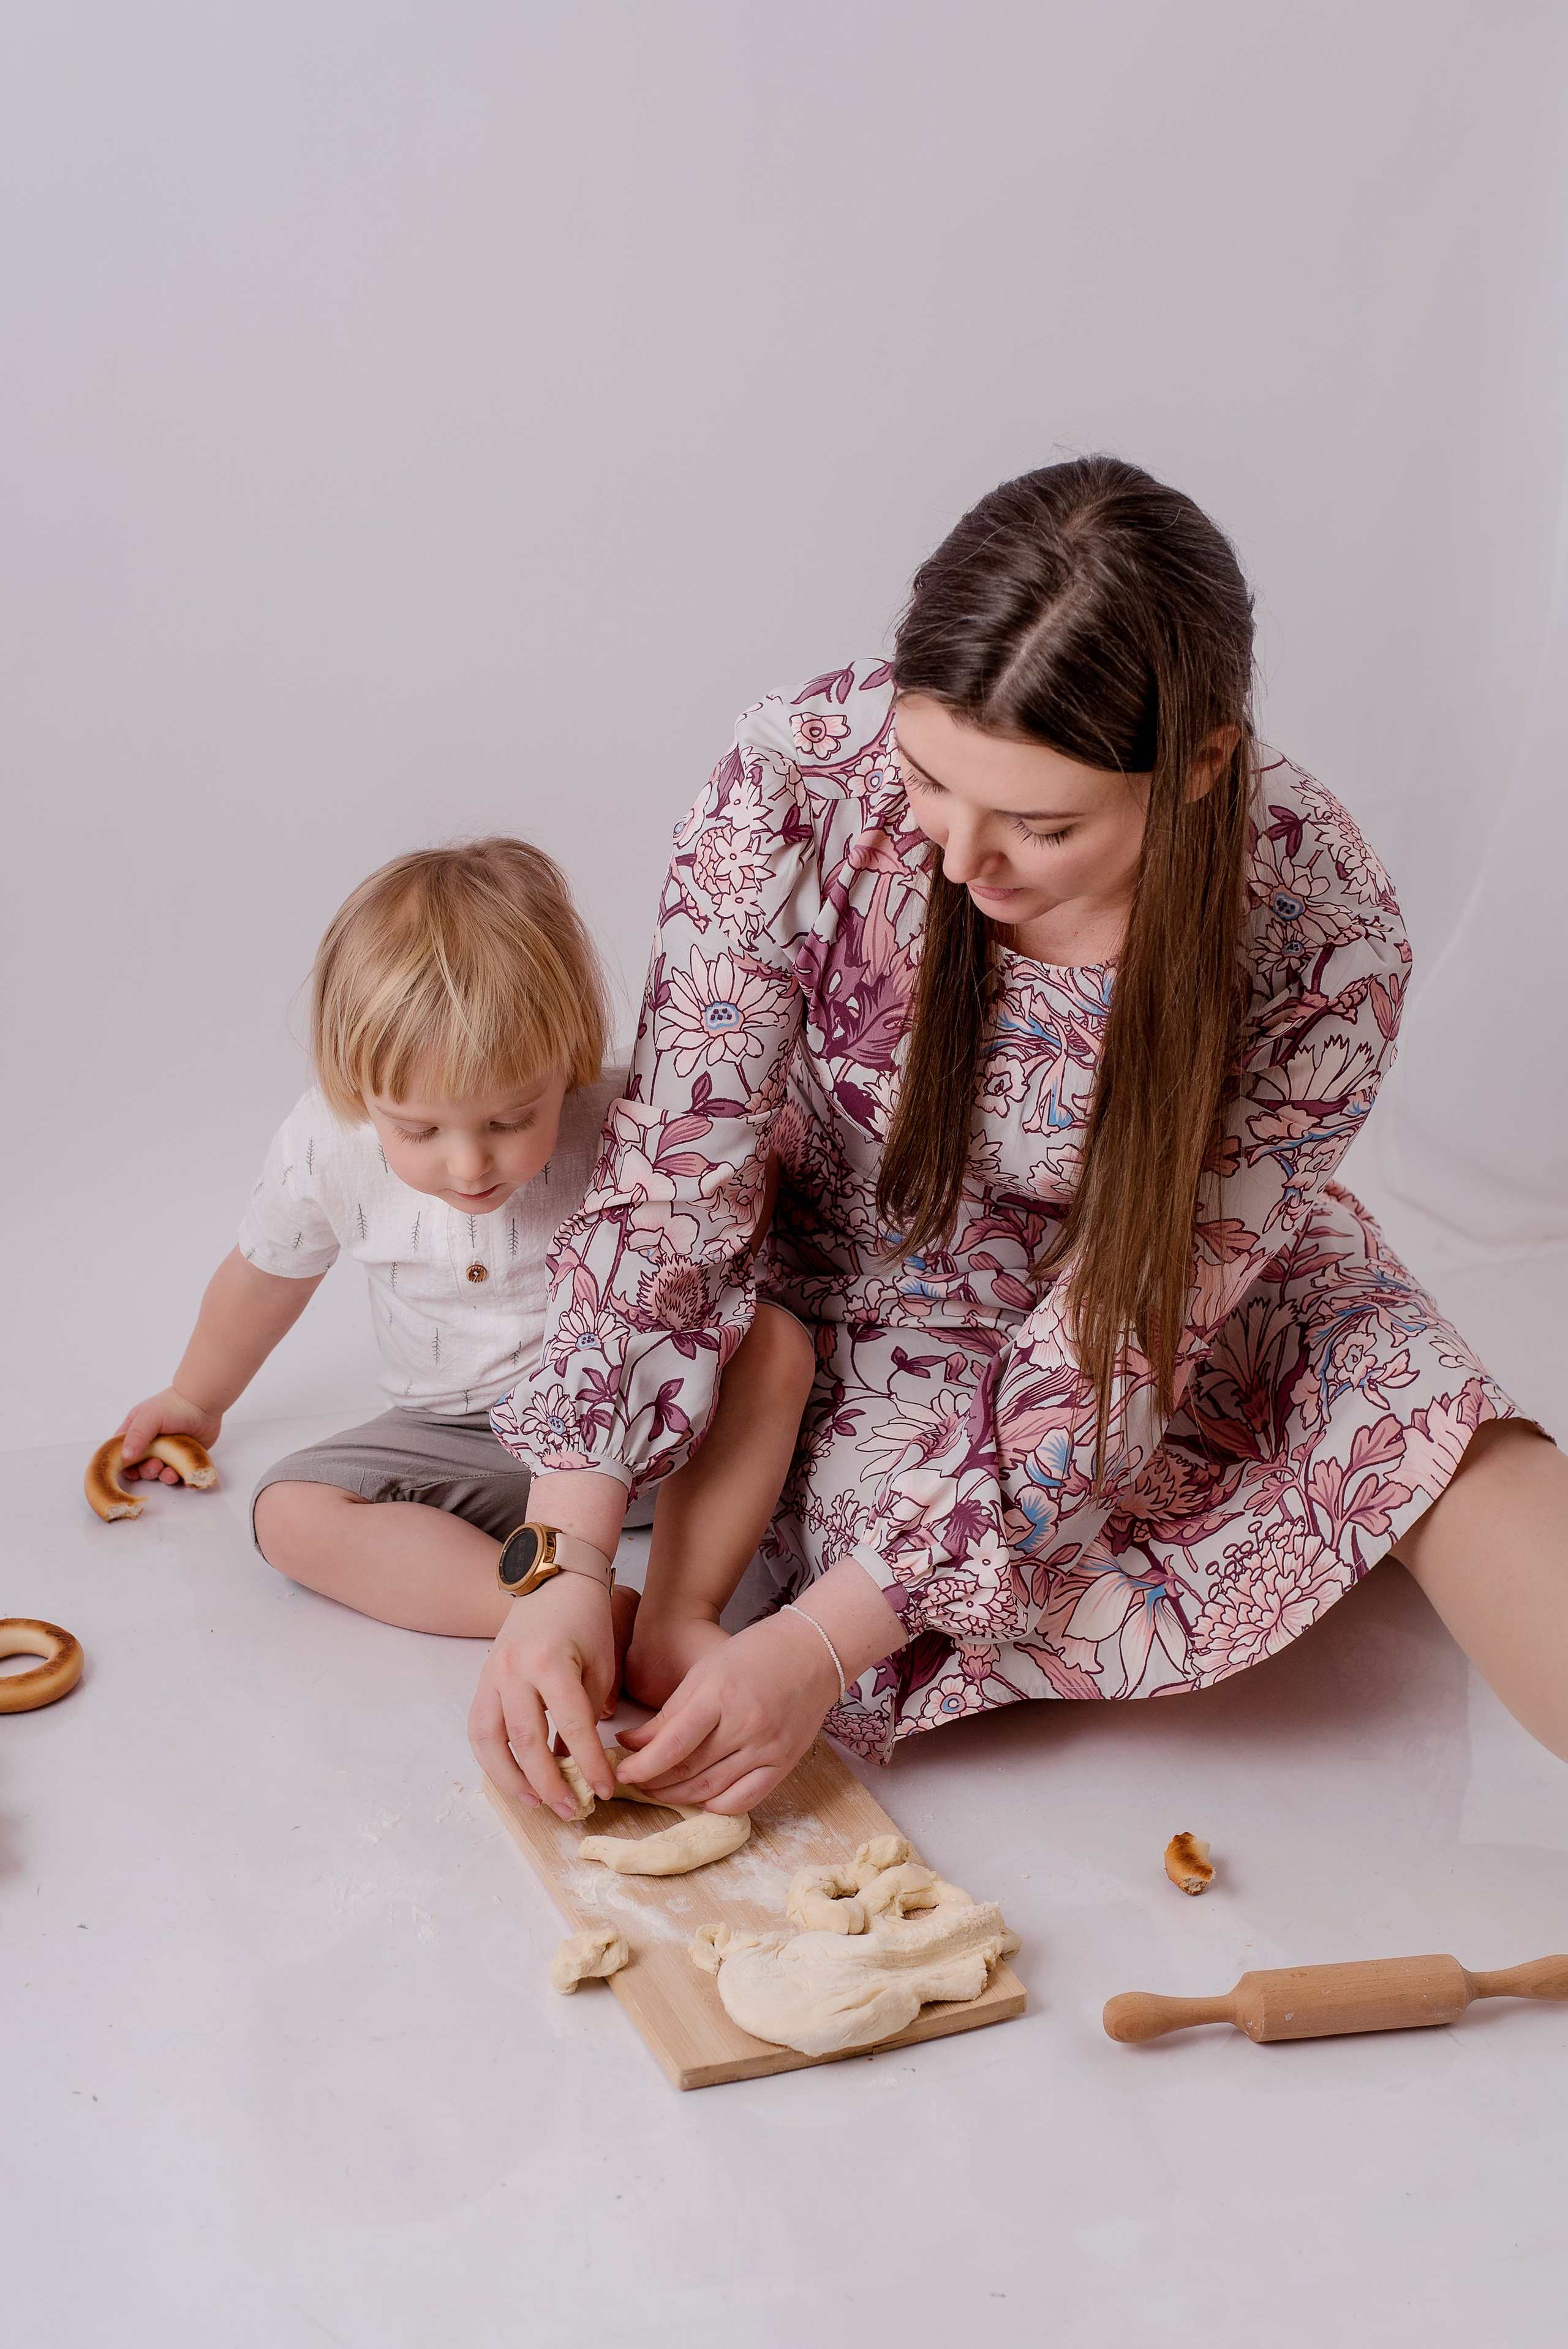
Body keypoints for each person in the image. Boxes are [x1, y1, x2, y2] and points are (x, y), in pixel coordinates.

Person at [469, 454, 1567, 1826]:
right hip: (869, 1294)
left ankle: (1344, 1527)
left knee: (1419, 1402)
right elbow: (672, 1181)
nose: (957, 858)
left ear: (1199, 766)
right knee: (893, 1559)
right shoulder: (795, 776)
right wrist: (561, 1562)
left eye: (1040, 826)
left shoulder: (1318, 930)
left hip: (1159, 1296)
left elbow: (1122, 1338)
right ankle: (1258, 1543)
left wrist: (813, 1649)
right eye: (928, 778)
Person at [113, 836, 808, 1645]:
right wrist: (196, 1400)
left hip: (645, 1433)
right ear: (357, 1089)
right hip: (459, 1444)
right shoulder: (324, 1147)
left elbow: (734, 1231)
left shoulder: (628, 1121)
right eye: (420, 1129)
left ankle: (677, 1613)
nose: (471, 1161)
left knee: (776, 1346)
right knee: (286, 1512)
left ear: (569, 1062)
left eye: (512, 1119)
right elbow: (265, 1278)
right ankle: (542, 1608)